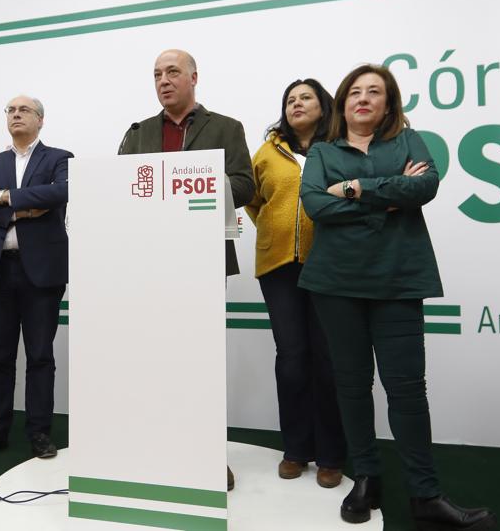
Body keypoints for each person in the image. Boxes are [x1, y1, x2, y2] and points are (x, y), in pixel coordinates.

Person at [300, 64, 494, 529]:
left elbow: (424, 186)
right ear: (343, 102)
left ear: (389, 104)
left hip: (400, 280)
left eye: (375, 92)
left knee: (407, 391)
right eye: (355, 92)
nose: (363, 98)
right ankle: (366, 477)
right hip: (335, 284)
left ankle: (425, 495)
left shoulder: (409, 140)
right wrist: (389, 197)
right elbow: (315, 205)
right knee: (351, 385)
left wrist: (355, 188)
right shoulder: (323, 151)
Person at [118, 48, 253, 491]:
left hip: (202, 258)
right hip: (151, 262)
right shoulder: (138, 133)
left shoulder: (226, 128)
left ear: (195, 77)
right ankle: (156, 447)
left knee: (200, 362)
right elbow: (120, 188)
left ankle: (207, 454)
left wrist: (189, 182)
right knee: (155, 360)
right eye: (156, 74)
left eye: (172, 72)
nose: (163, 80)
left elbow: (245, 184)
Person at [245, 79, 346, 488]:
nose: (297, 104)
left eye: (305, 98)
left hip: (329, 265)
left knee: (327, 359)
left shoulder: (339, 147)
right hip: (279, 267)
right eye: (290, 99)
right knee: (291, 358)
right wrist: (275, 230)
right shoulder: (267, 152)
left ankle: (331, 454)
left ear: (324, 106)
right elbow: (252, 200)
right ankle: (296, 449)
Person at [0, 96, 73, 462]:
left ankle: (39, 432)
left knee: (40, 356)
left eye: (23, 110)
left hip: (41, 272)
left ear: (40, 120)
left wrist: (4, 197)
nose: (15, 115)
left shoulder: (59, 158)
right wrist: (24, 210)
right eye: (10, 110)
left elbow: (61, 193)